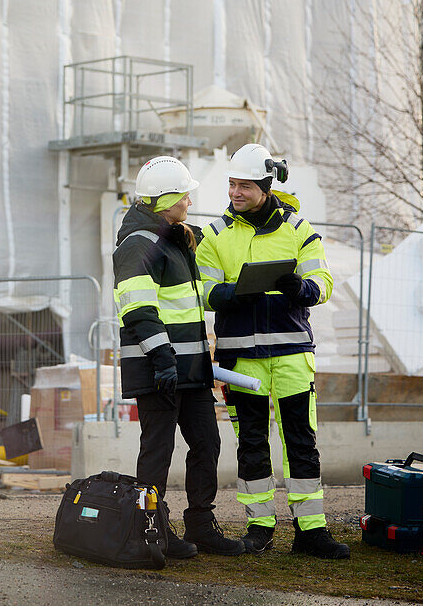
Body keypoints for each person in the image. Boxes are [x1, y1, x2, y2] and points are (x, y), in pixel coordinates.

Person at [196, 143, 350, 559]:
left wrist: (301, 288)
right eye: (231, 184)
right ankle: (259, 526)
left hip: (292, 355)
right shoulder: (212, 235)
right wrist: (228, 295)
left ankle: (310, 531)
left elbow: (323, 283)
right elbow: (202, 292)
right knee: (251, 442)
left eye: (244, 186)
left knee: (301, 441)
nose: (235, 193)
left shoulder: (300, 230)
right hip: (240, 360)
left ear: (266, 187)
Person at [113, 155, 244, 559]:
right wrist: (162, 358)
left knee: (206, 442)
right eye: (183, 195)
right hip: (162, 369)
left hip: (189, 369)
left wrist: (230, 293)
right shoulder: (137, 244)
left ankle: (201, 526)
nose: (189, 200)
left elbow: (190, 300)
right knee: (158, 451)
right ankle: (150, 529)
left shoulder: (174, 240)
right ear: (166, 198)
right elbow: (137, 308)